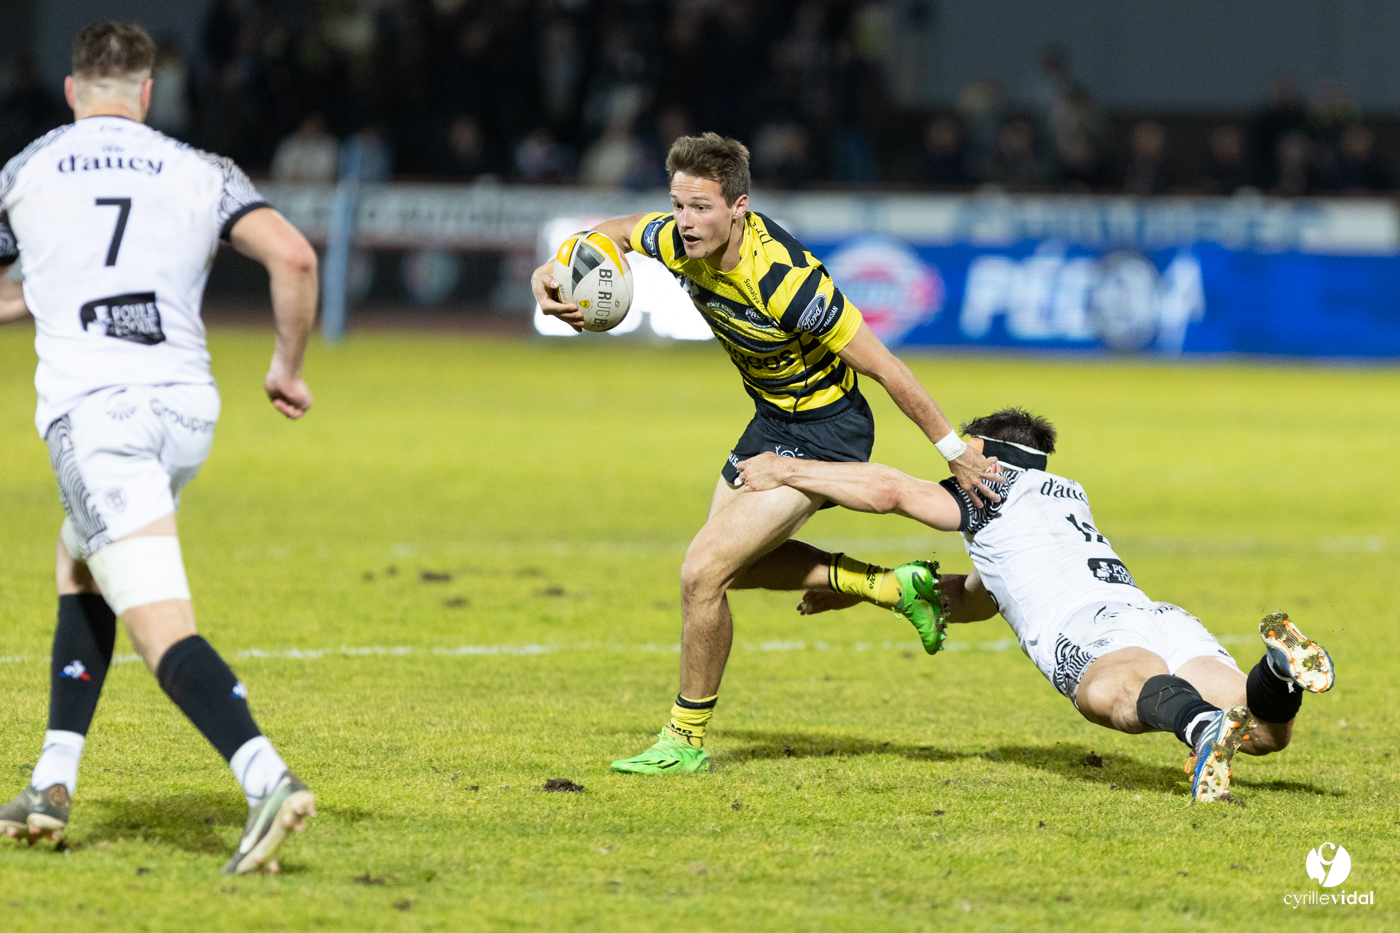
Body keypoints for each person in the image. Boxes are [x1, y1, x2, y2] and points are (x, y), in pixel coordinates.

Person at [532, 132, 1002, 775]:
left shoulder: (787, 282)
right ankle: (893, 585)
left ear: (739, 207)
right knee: (738, 568)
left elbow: (889, 369)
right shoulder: (673, 238)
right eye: (677, 205)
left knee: (702, 572)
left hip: (827, 430)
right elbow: (608, 234)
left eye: (701, 207)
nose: (685, 223)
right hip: (771, 418)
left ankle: (684, 740)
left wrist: (954, 451)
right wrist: (554, 273)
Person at [0, 22, 318, 872]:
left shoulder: (28, 169)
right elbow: (292, 256)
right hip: (185, 412)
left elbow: (27, 277)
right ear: (146, 94)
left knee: (159, 626)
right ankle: (51, 781)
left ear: (73, 92)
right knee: (79, 557)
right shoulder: (199, 169)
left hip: (98, 419)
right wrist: (286, 368)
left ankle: (267, 778)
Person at [734, 408, 1334, 803]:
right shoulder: (1064, 496)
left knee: (1108, 697)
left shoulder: (989, 488)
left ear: (988, 453)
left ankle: (1202, 731)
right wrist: (867, 589)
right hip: (1159, 617)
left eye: (966, 449)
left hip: (1088, 628)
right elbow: (978, 598)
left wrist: (789, 468)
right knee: (1262, 733)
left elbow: (891, 491)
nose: (956, 460)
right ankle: (1278, 670)